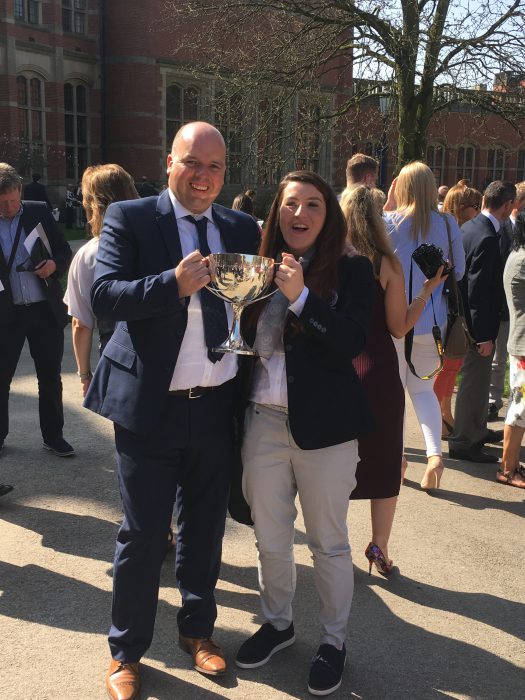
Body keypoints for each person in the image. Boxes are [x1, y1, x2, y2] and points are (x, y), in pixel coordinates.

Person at [84, 122, 260, 700]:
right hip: (151, 409)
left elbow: (249, 304)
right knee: (141, 535)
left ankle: (197, 631)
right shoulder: (131, 218)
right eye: (192, 163)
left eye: (214, 166)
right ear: (169, 163)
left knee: (205, 531)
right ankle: (126, 652)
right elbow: (104, 295)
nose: (203, 177)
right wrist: (171, 284)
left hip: (215, 405)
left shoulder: (240, 227)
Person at [234, 171, 376, 697]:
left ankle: (333, 642)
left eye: (314, 204)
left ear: (329, 215)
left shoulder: (352, 269)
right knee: (270, 537)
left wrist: (301, 298)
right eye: (291, 203)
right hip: (262, 421)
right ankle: (278, 623)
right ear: (277, 213)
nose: (301, 213)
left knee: (328, 543)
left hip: (327, 431)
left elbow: (350, 341)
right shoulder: (257, 266)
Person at [341, 186, 446, 575]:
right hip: (379, 370)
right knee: (385, 460)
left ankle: (333, 543)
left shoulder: (330, 259)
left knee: (334, 461)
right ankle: (379, 546)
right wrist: (427, 291)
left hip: (338, 368)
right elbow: (399, 327)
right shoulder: (386, 263)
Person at [384, 162, 465, 490]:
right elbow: (459, 272)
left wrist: (387, 206)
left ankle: (399, 457)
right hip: (433, 319)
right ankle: (434, 457)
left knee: (394, 392)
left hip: (394, 320)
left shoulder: (389, 221)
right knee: (422, 390)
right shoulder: (447, 222)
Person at [0, 163, 74, 457]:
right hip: (7, 313)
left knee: (50, 376)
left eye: (12, 200)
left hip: (43, 310)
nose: (8, 207)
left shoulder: (37, 212)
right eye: (2, 203)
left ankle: (53, 436)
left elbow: (63, 250)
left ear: (19, 190)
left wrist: (54, 265)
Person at [448, 181, 516, 463]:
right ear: (508, 205)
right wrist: (483, 336)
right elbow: (478, 292)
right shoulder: (487, 236)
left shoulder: (471, 227)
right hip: (477, 326)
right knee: (474, 383)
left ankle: (475, 430)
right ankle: (464, 441)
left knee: (477, 381)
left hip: (468, 320)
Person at [64, 164, 139, 397]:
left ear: (91, 204)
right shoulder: (156, 240)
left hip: (118, 359)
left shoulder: (88, 255)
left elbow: (81, 324)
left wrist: (85, 375)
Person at [435, 180, 482, 438]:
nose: (478, 211)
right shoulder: (452, 233)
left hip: (455, 307)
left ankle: (445, 411)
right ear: (462, 208)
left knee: (453, 365)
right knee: (447, 364)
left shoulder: (459, 231)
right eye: (475, 206)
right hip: (449, 307)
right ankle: (438, 416)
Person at [488, 181, 525, 421]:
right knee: (498, 358)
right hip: (504, 304)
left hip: (512, 306)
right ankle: (492, 402)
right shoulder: (501, 229)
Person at [498, 210, 525, 488]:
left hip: (521, 343)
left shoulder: (518, 254)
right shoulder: (522, 259)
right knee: (520, 407)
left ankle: (512, 463)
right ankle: (507, 468)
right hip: (523, 345)